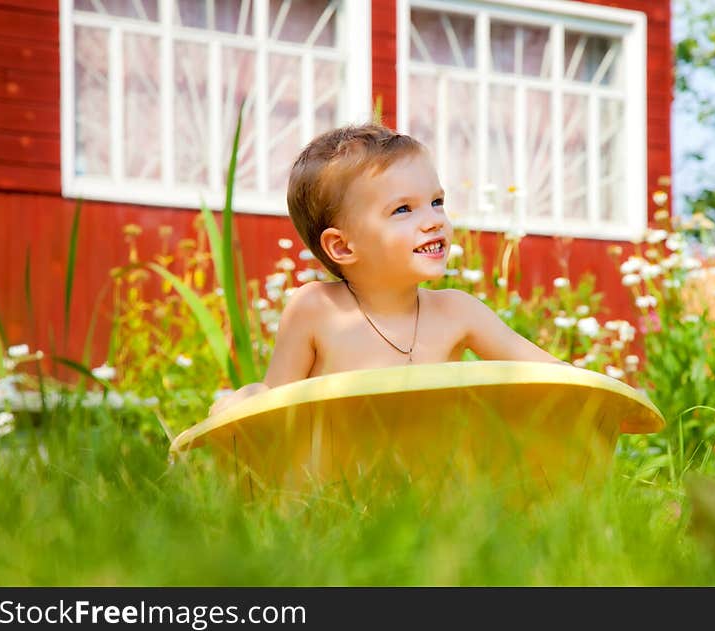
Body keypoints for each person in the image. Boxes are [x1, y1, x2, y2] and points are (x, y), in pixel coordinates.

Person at [209, 123, 566, 416]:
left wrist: (613, 399)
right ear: (343, 246)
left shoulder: (458, 312)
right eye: (403, 210)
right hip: (337, 483)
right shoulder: (318, 310)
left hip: (428, 485)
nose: (433, 221)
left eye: (436, 202)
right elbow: (275, 408)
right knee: (249, 400)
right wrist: (245, 403)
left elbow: (551, 374)